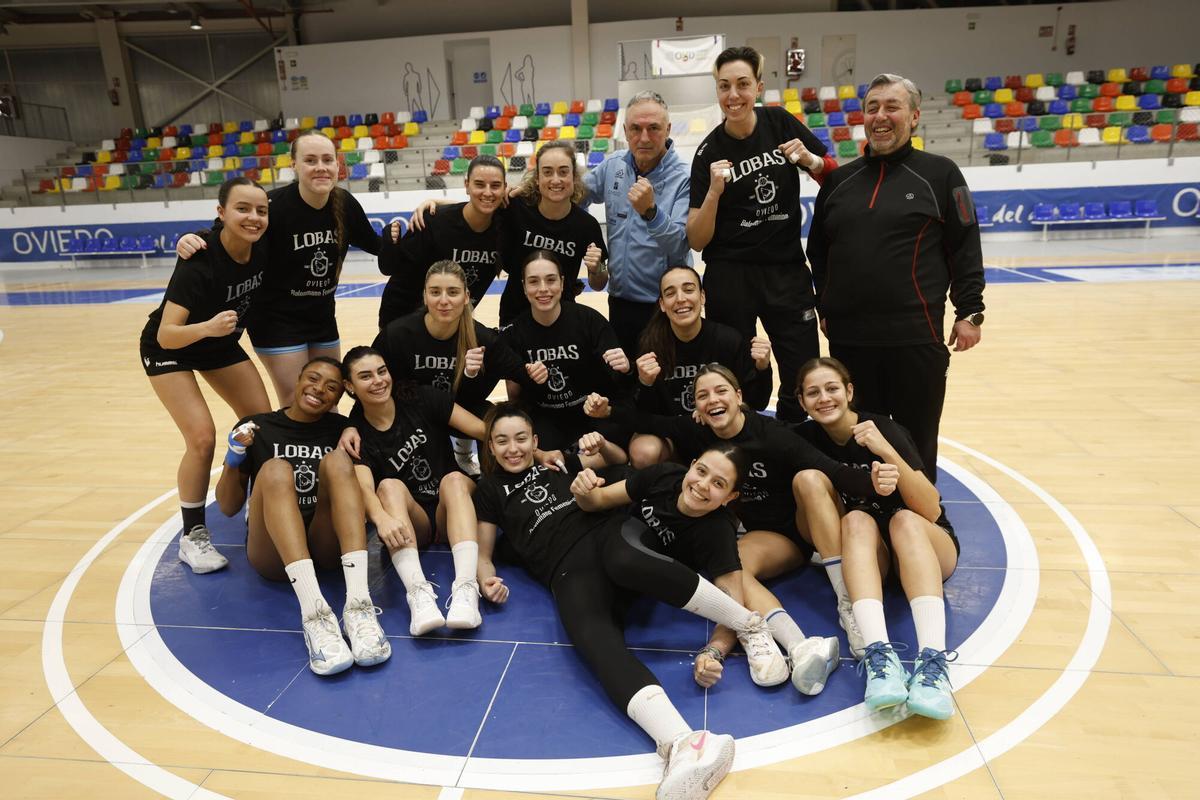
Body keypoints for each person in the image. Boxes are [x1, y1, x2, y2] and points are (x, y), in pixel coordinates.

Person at [475, 404, 789, 799]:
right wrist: (485, 578)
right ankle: (683, 744)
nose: (512, 448)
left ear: (535, 441)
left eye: (521, 438)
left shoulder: (558, 462)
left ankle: (748, 623)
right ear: (489, 446)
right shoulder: (486, 489)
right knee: (590, 639)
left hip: (602, 532)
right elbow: (483, 551)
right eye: (502, 440)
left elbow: (616, 462)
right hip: (563, 569)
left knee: (625, 559)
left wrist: (590, 467)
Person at [586, 364, 870, 689]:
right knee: (734, 568)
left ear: (738, 397)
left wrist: (880, 484)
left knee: (810, 477)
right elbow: (648, 422)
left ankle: (847, 601)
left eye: (721, 391)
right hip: (763, 535)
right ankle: (795, 645)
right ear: (696, 408)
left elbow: (831, 469)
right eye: (702, 396)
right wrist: (608, 410)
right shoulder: (698, 432)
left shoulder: (772, 434)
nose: (712, 400)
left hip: (800, 528)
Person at [807, 73, 986, 488]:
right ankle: (865, 514)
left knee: (916, 440)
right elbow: (818, 254)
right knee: (855, 438)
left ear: (915, 116)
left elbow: (965, 245)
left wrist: (970, 311)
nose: (881, 116)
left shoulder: (941, 175)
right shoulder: (837, 182)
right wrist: (824, 306)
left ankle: (923, 523)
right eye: (873, 108)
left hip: (915, 338)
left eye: (892, 107)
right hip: (850, 342)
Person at [793, 357, 959, 719]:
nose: (824, 398)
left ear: (849, 392)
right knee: (855, 519)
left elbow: (931, 509)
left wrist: (886, 450)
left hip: (926, 545)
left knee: (904, 520)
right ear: (802, 402)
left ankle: (934, 667)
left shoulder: (882, 429)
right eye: (813, 392)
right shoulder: (805, 439)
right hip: (873, 556)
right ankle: (879, 657)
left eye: (832, 388)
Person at [686, 46, 838, 422]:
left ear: (758, 86)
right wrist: (713, 193)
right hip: (730, 274)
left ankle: (795, 444)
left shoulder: (780, 122)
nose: (733, 95)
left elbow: (835, 177)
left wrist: (810, 160)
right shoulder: (708, 151)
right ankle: (745, 450)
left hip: (785, 270)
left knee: (803, 371)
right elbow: (696, 239)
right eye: (724, 86)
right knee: (733, 375)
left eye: (742, 84)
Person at [177, 130, 384, 405]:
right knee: (297, 401)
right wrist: (192, 239)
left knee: (329, 399)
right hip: (276, 320)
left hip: (322, 318)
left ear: (337, 165)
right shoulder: (273, 206)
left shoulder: (344, 203)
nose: (320, 167)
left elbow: (378, 246)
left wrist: (432, 218)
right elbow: (226, 233)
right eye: (310, 160)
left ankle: (331, 450)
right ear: (293, 165)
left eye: (327, 159)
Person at [214, 357, 391, 676]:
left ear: (338, 399)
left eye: (331, 387)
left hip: (325, 546)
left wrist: (351, 428)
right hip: (274, 553)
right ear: (297, 381)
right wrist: (234, 455)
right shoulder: (259, 426)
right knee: (275, 468)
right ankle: (314, 616)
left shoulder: (342, 431)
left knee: (339, 462)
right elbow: (227, 506)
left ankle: (359, 607)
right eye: (312, 378)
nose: (319, 389)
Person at [140, 176, 273, 574]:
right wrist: (208, 328)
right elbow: (167, 333)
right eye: (242, 209)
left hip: (217, 341)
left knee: (262, 423)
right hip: (172, 346)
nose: (253, 217)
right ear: (220, 213)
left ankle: (260, 504)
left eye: (261, 210)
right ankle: (192, 536)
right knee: (201, 437)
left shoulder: (263, 244)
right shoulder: (198, 260)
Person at [339, 346, 489, 636]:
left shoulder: (421, 397)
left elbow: (483, 431)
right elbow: (365, 489)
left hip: (452, 508)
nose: (378, 380)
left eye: (382, 371)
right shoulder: (355, 432)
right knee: (389, 486)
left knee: (455, 479)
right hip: (413, 523)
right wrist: (382, 519)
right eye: (366, 376)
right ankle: (418, 595)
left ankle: (466, 590)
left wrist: (535, 452)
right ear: (349, 386)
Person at [410, 140, 608, 327]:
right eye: (547, 172)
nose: (555, 179)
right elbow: (481, 206)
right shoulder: (516, 207)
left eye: (563, 172)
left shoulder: (587, 225)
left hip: (561, 319)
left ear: (574, 177)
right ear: (538, 178)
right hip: (515, 315)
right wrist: (437, 204)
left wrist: (596, 268)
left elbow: (598, 284)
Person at [372, 260, 530, 475]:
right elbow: (370, 383)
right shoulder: (398, 335)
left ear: (466, 297)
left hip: (461, 411)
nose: (444, 301)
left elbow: (521, 372)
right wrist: (354, 424)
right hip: (412, 415)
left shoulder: (482, 338)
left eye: (453, 292)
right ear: (425, 296)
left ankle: (495, 487)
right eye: (435, 292)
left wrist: (538, 372)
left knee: (497, 421)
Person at [578, 91, 692, 356]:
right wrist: (527, 193)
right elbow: (571, 199)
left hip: (666, 307)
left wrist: (651, 212)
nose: (643, 138)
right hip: (621, 304)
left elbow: (680, 244)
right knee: (625, 386)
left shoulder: (684, 176)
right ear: (625, 130)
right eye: (636, 129)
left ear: (668, 130)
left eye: (653, 128)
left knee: (664, 387)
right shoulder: (613, 165)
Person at [630, 265, 772, 467]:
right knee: (644, 450)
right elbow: (644, 416)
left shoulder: (728, 340)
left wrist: (763, 369)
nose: (680, 299)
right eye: (670, 294)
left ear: (702, 296)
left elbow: (757, 403)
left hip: (720, 432)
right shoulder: (650, 344)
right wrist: (645, 384)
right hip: (674, 436)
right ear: (662, 304)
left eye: (689, 290)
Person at [500, 250, 632, 456]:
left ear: (562, 283)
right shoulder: (514, 333)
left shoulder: (590, 321)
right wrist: (524, 375)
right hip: (547, 420)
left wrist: (625, 368)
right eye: (534, 282)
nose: (543, 289)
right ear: (524, 287)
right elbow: (514, 397)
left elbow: (619, 383)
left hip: (592, 415)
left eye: (551, 280)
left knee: (615, 436)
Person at [376, 154, 506, 329]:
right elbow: (393, 270)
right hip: (404, 320)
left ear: (505, 188)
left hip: (452, 322)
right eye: (479, 184)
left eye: (496, 185)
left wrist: (437, 201)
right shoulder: (433, 222)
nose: (488, 192)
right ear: (466, 185)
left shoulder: (504, 227)